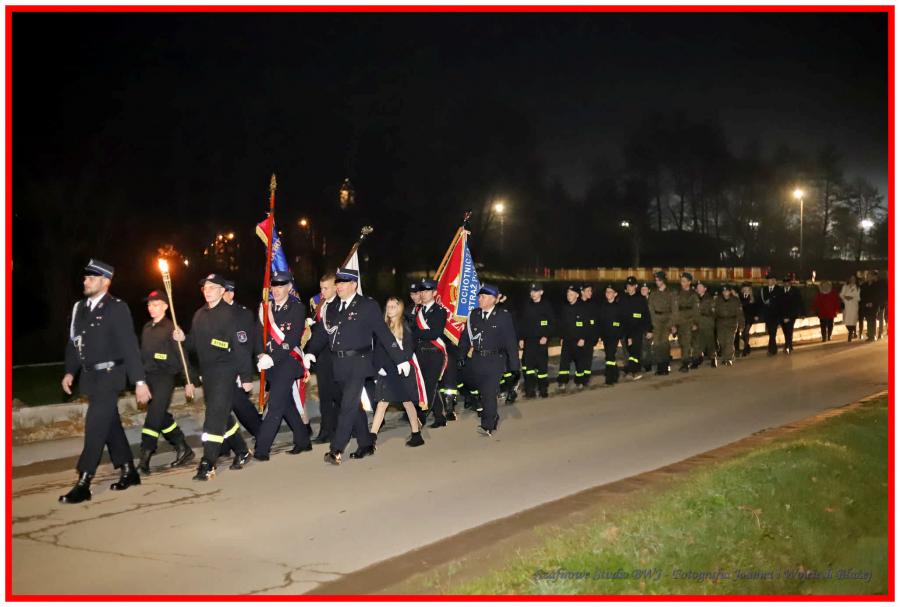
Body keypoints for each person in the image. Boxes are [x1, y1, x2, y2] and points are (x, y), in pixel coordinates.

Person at [59, 259, 151, 504]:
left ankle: (84, 481)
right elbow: (74, 343)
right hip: (90, 377)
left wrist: (139, 381)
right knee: (110, 424)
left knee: (95, 425)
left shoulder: (116, 308)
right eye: (85, 278)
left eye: (91, 278)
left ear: (105, 282)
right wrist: (70, 372)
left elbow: (129, 346)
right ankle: (129, 470)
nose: (86, 281)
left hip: (111, 376)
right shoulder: (79, 308)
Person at [304, 268, 410, 465]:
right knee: (354, 406)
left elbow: (384, 334)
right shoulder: (332, 307)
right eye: (338, 283)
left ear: (354, 285)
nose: (339, 286)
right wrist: (311, 352)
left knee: (347, 405)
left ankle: (336, 449)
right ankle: (366, 443)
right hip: (339, 364)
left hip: (359, 362)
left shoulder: (367, 306)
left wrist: (400, 358)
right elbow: (322, 333)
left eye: (343, 283)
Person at [173, 273, 254, 480]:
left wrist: (246, 377)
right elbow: (194, 344)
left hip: (226, 371)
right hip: (207, 374)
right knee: (222, 416)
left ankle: (208, 462)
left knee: (213, 418)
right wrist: (183, 338)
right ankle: (242, 451)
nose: (207, 291)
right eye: (205, 288)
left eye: (212, 287)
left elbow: (241, 347)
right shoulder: (199, 315)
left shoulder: (231, 314)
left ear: (222, 290)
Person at [252, 271, 313, 461]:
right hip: (269, 363)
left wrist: (272, 358)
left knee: (276, 405)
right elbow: (257, 334)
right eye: (274, 286)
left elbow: (292, 339)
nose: (276, 290)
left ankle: (261, 449)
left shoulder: (297, 308)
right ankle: (303, 440)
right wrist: (260, 354)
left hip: (287, 362)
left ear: (289, 287)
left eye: (281, 286)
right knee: (287, 404)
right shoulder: (265, 308)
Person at [137, 289, 195, 475]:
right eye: (149, 305)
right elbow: (142, 355)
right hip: (148, 377)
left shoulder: (172, 328)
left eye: (155, 305)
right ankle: (183, 447)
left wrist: (188, 381)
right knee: (161, 416)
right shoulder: (147, 328)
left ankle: (144, 458)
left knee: (153, 416)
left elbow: (182, 355)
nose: (151, 308)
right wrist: (138, 380)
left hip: (165, 377)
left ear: (165, 306)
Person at [457, 284, 519, 437]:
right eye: (479, 296)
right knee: (480, 390)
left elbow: (511, 342)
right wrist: (461, 356)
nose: (480, 299)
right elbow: (465, 338)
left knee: (489, 393)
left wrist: (514, 365)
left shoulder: (503, 316)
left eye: (483, 297)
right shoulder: (474, 315)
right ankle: (491, 414)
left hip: (495, 360)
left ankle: (488, 424)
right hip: (477, 359)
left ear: (493, 299)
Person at [370, 297, 426, 448]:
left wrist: (402, 362)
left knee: (407, 403)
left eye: (393, 307)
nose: (389, 309)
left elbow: (409, 349)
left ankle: (416, 434)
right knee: (382, 403)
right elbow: (378, 350)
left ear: (400, 308)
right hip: (387, 371)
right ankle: (372, 437)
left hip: (402, 371)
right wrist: (378, 367)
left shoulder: (405, 326)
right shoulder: (382, 327)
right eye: (388, 306)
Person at [222, 280, 263, 443]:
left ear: (230, 294)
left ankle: (260, 432)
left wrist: (244, 374)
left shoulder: (242, 314)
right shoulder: (211, 313)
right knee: (227, 406)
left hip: (236, 366)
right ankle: (226, 445)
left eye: (222, 292)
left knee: (239, 405)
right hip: (219, 367)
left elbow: (246, 342)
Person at [411, 278, 449, 428]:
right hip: (420, 353)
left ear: (434, 293)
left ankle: (421, 417)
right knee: (426, 385)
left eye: (427, 291)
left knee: (429, 386)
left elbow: (434, 333)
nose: (423, 293)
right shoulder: (417, 311)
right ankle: (440, 417)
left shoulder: (440, 311)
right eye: (422, 291)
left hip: (434, 354)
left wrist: (416, 333)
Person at [307, 272, 339, 444]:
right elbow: (319, 331)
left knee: (340, 394)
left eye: (326, 288)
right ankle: (326, 431)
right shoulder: (320, 304)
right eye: (321, 288)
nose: (322, 292)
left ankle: (353, 427)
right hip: (322, 356)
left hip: (337, 356)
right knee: (325, 395)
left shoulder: (341, 304)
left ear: (336, 287)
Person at [517, 282, 555, 397]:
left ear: (541, 292)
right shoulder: (527, 305)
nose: (533, 293)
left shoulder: (546, 306)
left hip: (541, 341)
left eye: (536, 291)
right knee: (529, 368)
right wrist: (521, 338)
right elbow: (522, 323)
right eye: (531, 291)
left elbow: (552, 323)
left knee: (542, 367)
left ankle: (543, 389)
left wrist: (546, 336)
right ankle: (530, 390)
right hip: (529, 341)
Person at [557, 284, 591, 390]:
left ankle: (579, 381)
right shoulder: (564, 308)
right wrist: (561, 337)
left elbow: (587, 325)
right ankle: (562, 381)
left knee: (579, 362)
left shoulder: (582, 308)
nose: (569, 296)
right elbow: (562, 325)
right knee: (564, 363)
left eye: (571, 294)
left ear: (577, 295)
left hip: (578, 341)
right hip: (567, 340)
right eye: (568, 294)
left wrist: (583, 338)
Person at [619, 276, 651, 380]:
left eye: (631, 286)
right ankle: (630, 369)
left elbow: (646, 315)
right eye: (628, 286)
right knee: (628, 351)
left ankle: (635, 371)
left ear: (636, 286)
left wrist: (649, 329)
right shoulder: (623, 299)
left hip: (637, 329)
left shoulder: (640, 299)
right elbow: (620, 315)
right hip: (626, 330)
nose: (629, 288)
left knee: (635, 351)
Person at [648, 272, 677, 375]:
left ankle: (665, 365)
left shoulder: (671, 293)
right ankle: (660, 365)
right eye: (656, 280)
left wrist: (672, 323)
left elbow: (674, 309)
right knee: (656, 344)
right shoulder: (653, 294)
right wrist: (652, 322)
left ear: (663, 280)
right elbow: (650, 308)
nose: (657, 282)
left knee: (664, 343)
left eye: (659, 280)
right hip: (656, 320)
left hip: (667, 319)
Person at [596, 284, 623, 385]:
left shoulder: (618, 307)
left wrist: (618, 331)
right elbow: (600, 321)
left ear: (615, 294)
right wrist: (599, 334)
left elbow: (621, 321)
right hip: (605, 335)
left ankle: (609, 377)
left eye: (610, 292)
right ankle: (615, 373)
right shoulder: (603, 306)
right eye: (607, 292)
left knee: (610, 356)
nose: (608, 293)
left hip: (614, 335)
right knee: (609, 355)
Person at [673, 272, 700, 372]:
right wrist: (674, 324)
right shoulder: (677, 293)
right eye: (681, 281)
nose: (682, 283)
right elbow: (675, 309)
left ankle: (685, 363)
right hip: (680, 321)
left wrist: (695, 323)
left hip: (689, 321)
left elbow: (696, 310)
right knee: (682, 342)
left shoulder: (693, 295)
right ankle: (694, 359)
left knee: (686, 343)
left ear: (689, 282)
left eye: (684, 281)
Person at [714, 285, 745, 366]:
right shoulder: (718, 300)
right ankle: (725, 356)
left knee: (729, 341)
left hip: (731, 322)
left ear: (730, 291)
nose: (725, 292)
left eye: (727, 291)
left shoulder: (735, 300)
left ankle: (728, 358)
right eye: (724, 291)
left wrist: (741, 325)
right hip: (720, 322)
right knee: (721, 341)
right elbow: (714, 312)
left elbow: (739, 313)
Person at [777, 274, 804, 354]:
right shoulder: (780, 291)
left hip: (791, 315)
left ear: (790, 283)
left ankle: (787, 346)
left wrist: (802, 313)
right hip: (782, 315)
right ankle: (789, 344)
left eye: (788, 282)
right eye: (785, 282)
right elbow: (778, 304)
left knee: (789, 330)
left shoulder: (795, 291)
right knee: (785, 331)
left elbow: (799, 302)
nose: (786, 284)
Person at [758, 272, 783, 355]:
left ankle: (771, 349)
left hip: (776, 315)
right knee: (771, 332)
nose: (769, 281)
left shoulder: (779, 290)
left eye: (771, 280)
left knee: (773, 332)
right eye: (768, 280)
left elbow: (781, 303)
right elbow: (760, 302)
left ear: (774, 281)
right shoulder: (763, 290)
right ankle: (773, 349)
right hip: (767, 315)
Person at [577, 283, 598, 387]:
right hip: (579, 338)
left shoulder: (593, 304)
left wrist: (596, 337)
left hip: (590, 337)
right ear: (582, 292)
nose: (590, 292)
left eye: (591, 291)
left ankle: (585, 379)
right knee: (580, 359)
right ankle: (579, 380)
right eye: (588, 291)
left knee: (588, 359)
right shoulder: (577, 304)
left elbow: (595, 322)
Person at [694, 280, 717, 368]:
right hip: (697, 322)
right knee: (697, 341)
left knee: (709, 341)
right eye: (698, 287)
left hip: (707, 322)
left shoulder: (709, 299)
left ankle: (713, 358)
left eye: (700, 287)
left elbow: (713, 312)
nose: (698, 289)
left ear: (705, 289)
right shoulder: (695, 298)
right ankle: (698, 358)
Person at [736, 282, 758, 357]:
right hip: (741, 317)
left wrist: (756, 315)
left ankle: (745, 349)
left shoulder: (753, 297)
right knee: (742, 334)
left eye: (748, 289)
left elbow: (756, 307)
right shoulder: (739, 296)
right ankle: (747, 346)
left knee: (746, 332)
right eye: (745, 288)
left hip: (749, 318)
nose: (746, 290)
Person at [840, 274, 861, 341]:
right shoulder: (845, 287)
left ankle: (850, 334)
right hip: (846, 306)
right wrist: (845, 297)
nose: (852, 280)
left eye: (853, 279)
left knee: (853, 320)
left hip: (854, 306)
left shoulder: (857, 287)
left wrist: (852, 298)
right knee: (847, 321)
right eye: (851, 278)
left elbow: (858, 297)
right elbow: (841, 295)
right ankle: (851, 331)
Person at [859, 271, 880, 341]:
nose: (868, 277)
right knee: (868, 320)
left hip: (874, 305)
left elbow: (877, 295)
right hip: (866, 305)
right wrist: (865, 303)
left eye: (870, 276)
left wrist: (872, 303)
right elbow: (862, 295)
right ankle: (869, 335)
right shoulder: (864, 285)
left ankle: (873, 335)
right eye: (867, 276)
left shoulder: (876, 285)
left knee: (872, 320)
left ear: (872, 277)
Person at [640, 283, 654, 372]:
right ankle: (644, 365)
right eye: (642, 289)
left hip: (649, 328)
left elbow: (653, 317)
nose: (643, 291)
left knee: (646, 348)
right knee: (641, 348)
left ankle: (647, 366)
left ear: (649, 290)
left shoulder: (652, 302)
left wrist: (651, 330)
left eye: (645, 289)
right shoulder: (638, 301)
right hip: (640, 328)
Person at [872, 269, 888, 340]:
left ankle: (879, 333)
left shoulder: (882, 282)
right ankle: (876, 333)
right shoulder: (874, 283)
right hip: (877, 302)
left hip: (881, 302)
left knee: (880, 317)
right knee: (878, 318)